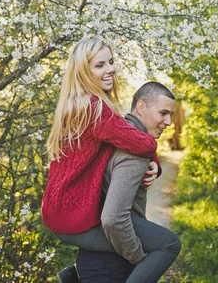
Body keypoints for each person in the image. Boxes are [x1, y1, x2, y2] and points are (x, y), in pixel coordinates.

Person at [41, 36, 179, 283]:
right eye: (100, 65)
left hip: (58, 209)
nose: (110, 69)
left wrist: (152, 163)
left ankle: (75, 277)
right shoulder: (94, 108)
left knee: (131, 242)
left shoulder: (79, 104)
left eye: (111, 62)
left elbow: (128, 136)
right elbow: (142, 141)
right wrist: (140, 259)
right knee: (162, 245)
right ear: (84, 72)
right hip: (72, 217)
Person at [75, 82, 180, 283]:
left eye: (171, 115)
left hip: (94, 257)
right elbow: (114, 218)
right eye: (163, 113)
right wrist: (139, 257)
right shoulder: (134, 150)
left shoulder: (114, 134)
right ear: (141, 107)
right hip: (109, 265)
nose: (168, 121)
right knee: (170, 244)